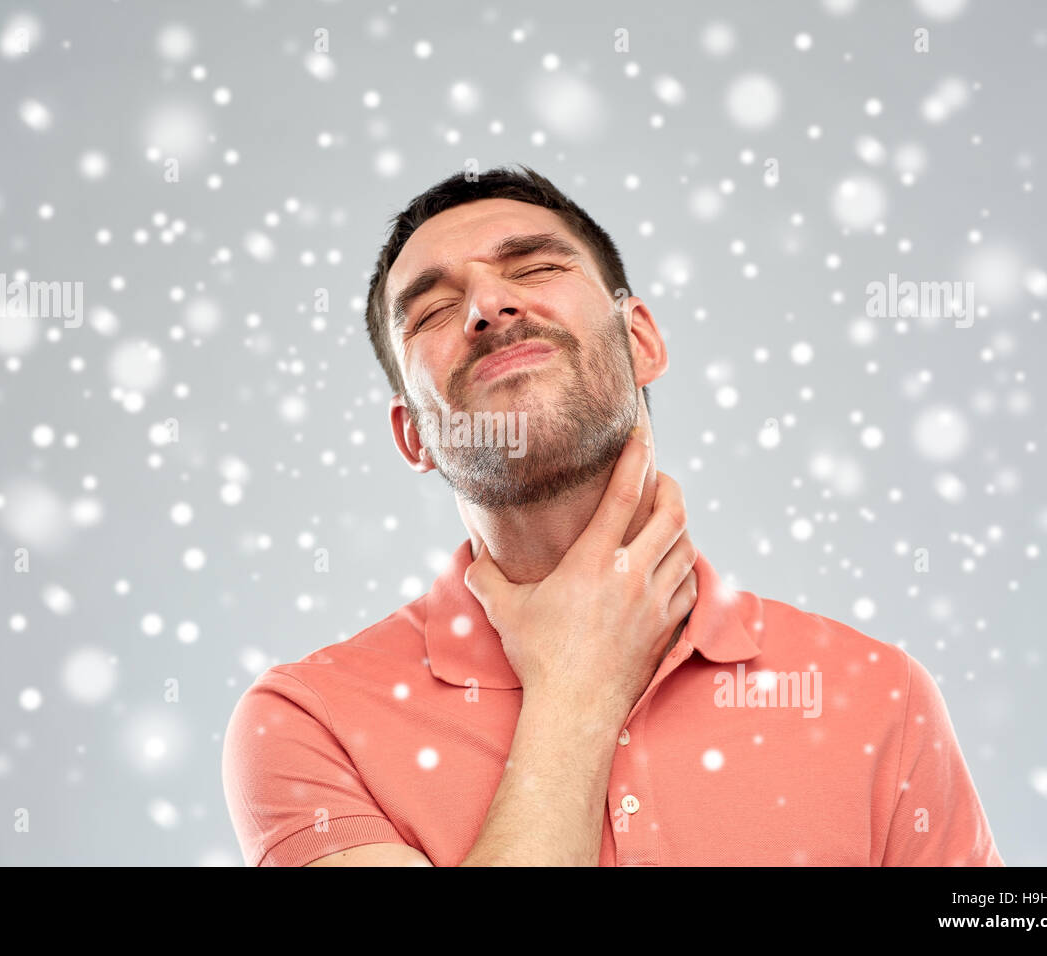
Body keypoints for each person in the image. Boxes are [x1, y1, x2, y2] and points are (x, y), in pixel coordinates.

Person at [222, 164, 1004, 867]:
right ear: (412, 436)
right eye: (431, 310)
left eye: (533, 266)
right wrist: (575, 686)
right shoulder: (306, 724)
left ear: (642, 342)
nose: (488, 305)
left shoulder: (878, 697)